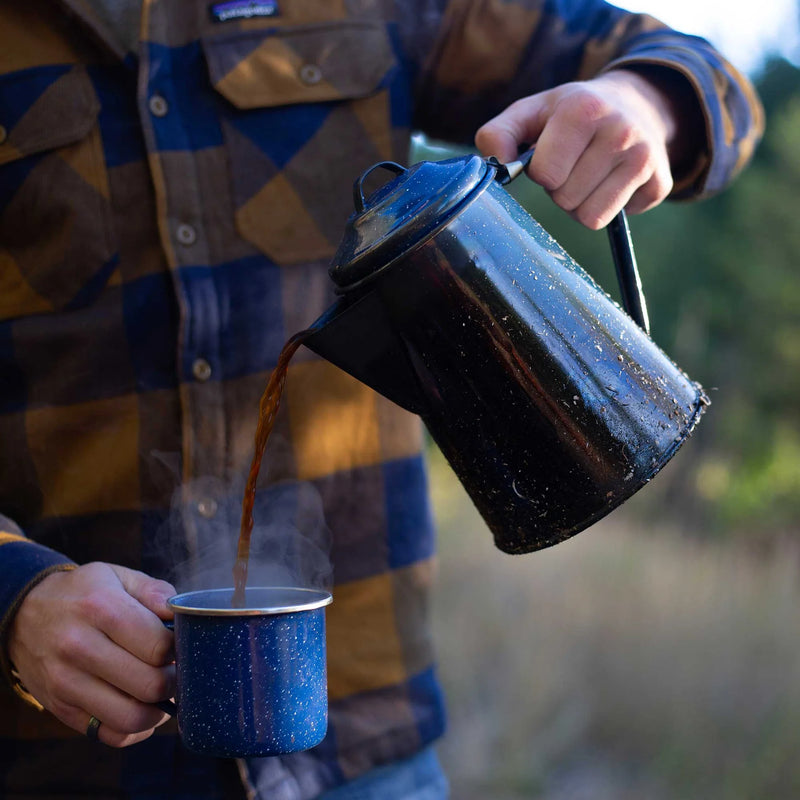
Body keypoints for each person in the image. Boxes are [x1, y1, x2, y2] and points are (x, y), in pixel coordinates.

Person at [0, 0, 763, 797]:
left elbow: (711, 82)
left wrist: (645, 102)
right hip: (64, 761)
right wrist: (16, 596)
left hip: (364, 744)